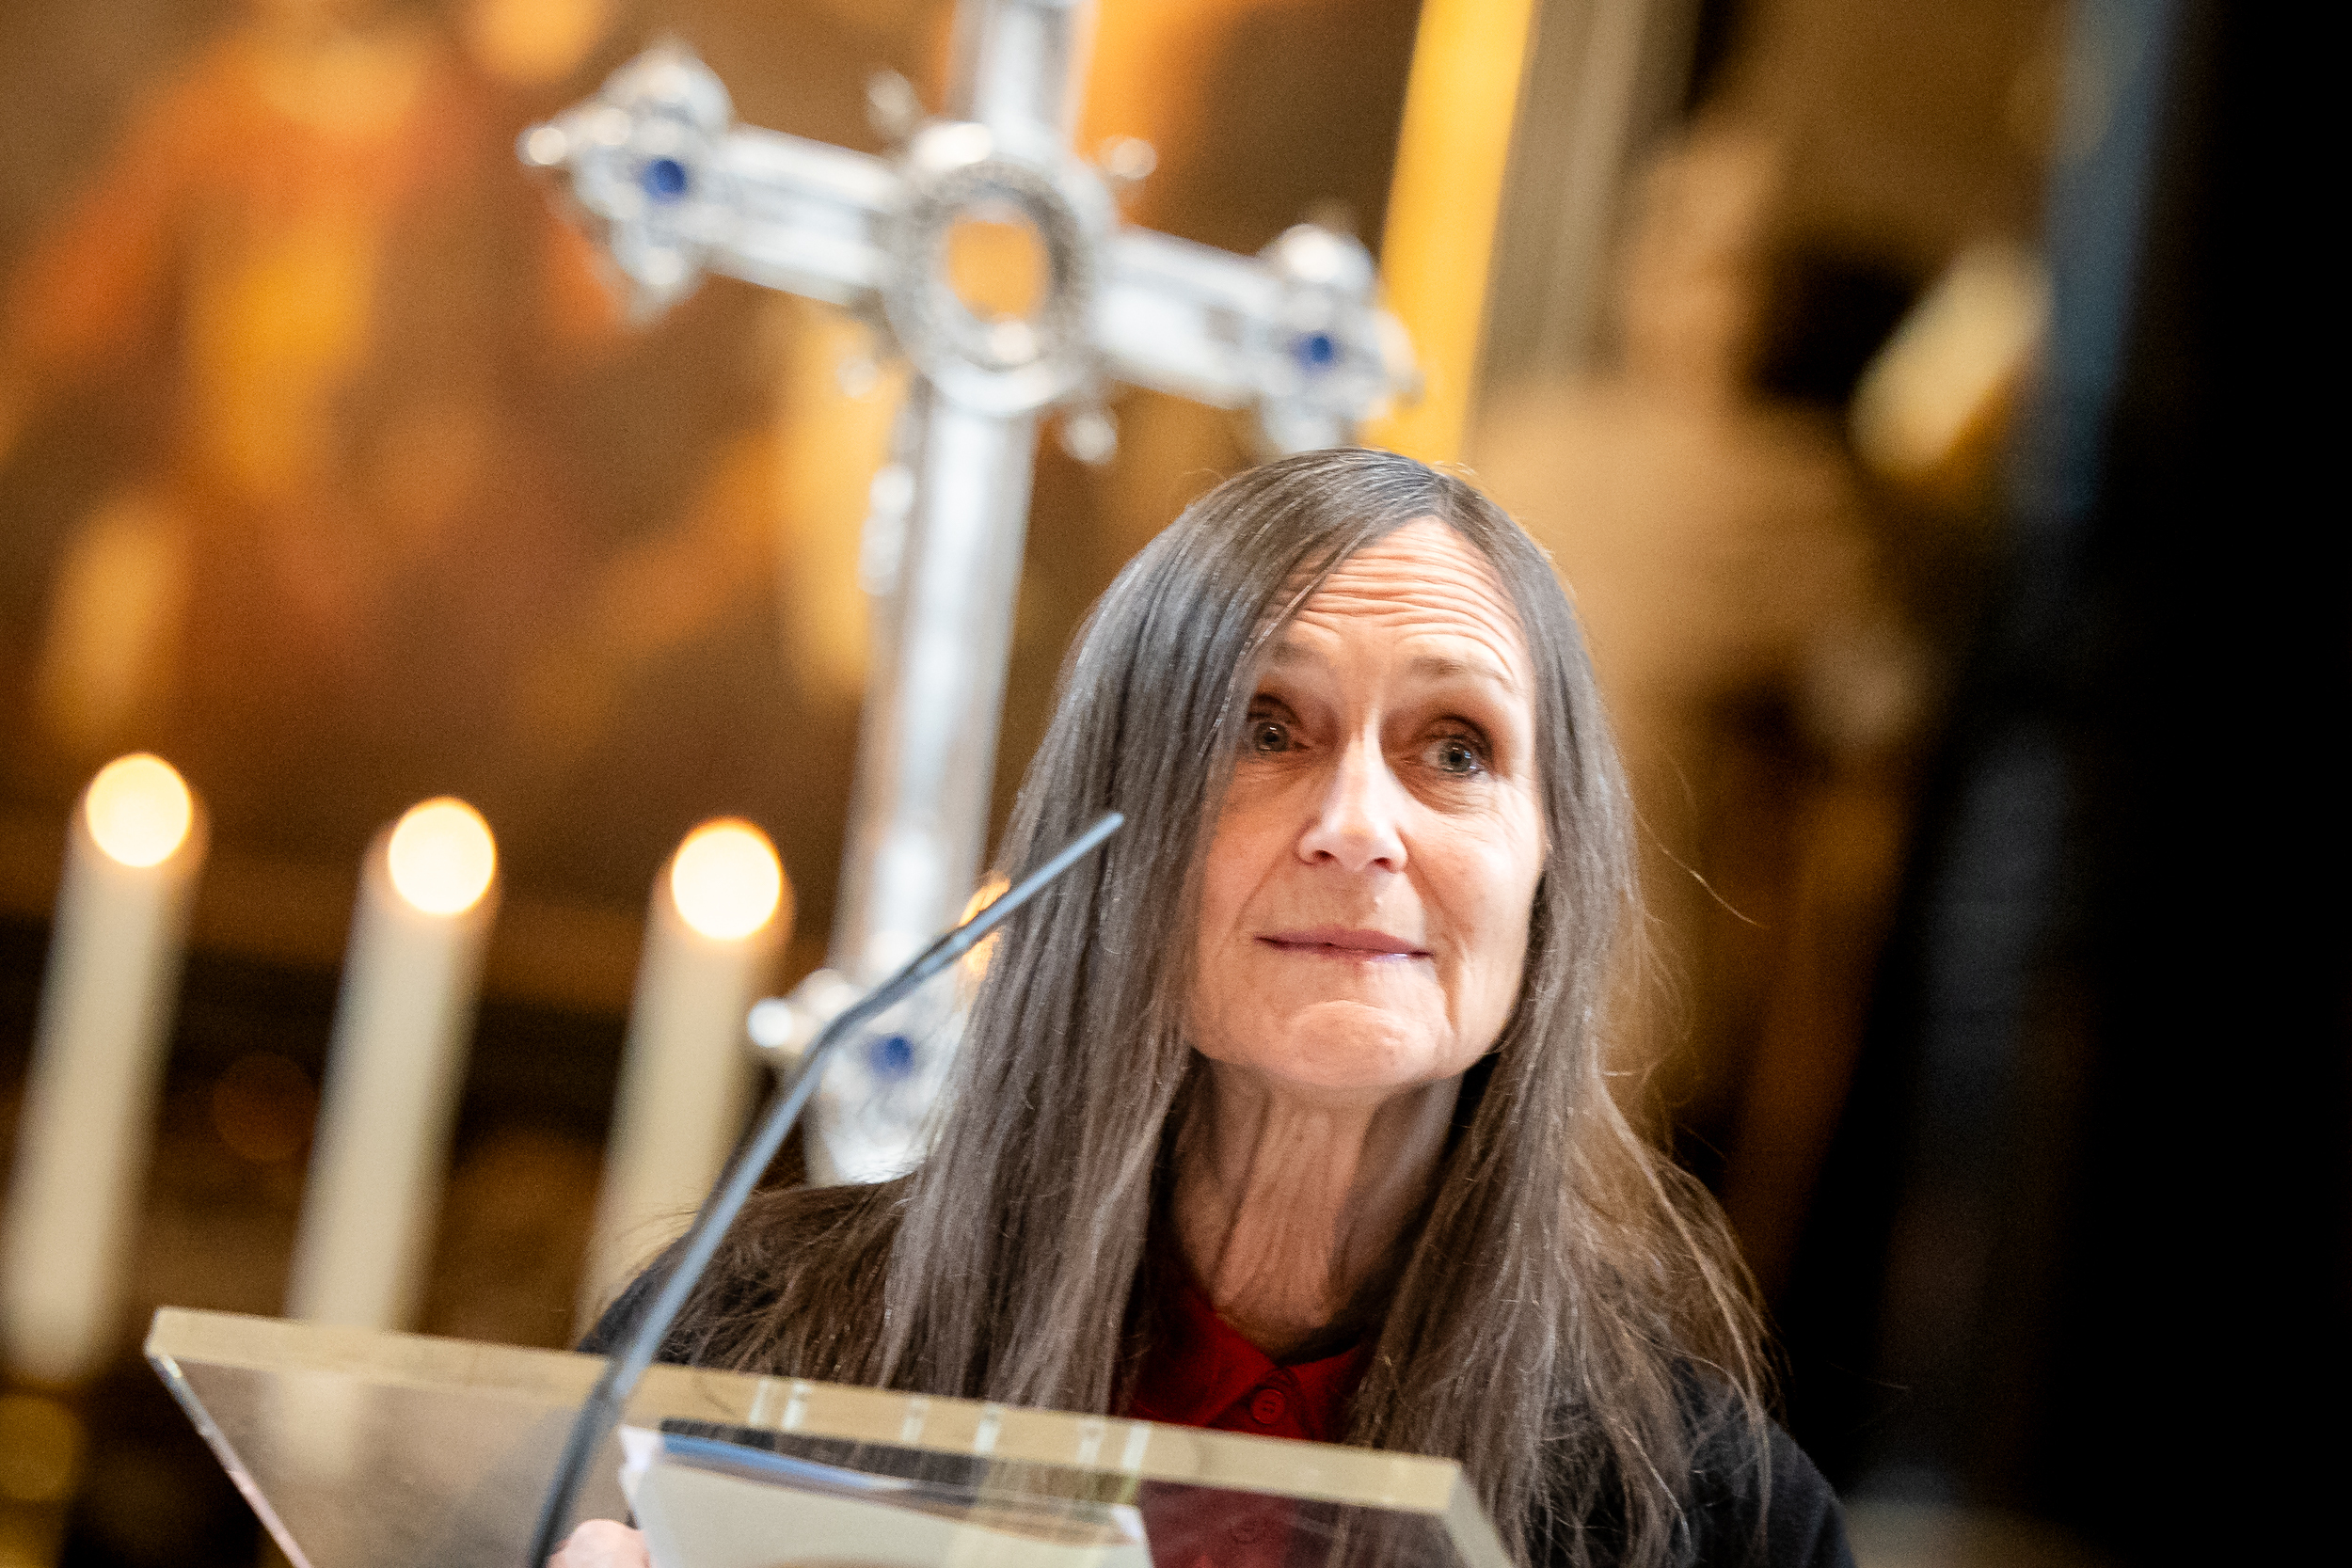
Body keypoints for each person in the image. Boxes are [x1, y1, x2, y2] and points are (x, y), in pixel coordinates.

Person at [554, 449, 1852, 1568]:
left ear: (1547, 867)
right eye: (1266, 729)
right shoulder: (732, 1354)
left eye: (1455, 749)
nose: (1357, 825)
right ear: (1115, 831)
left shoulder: (1719, 1519)